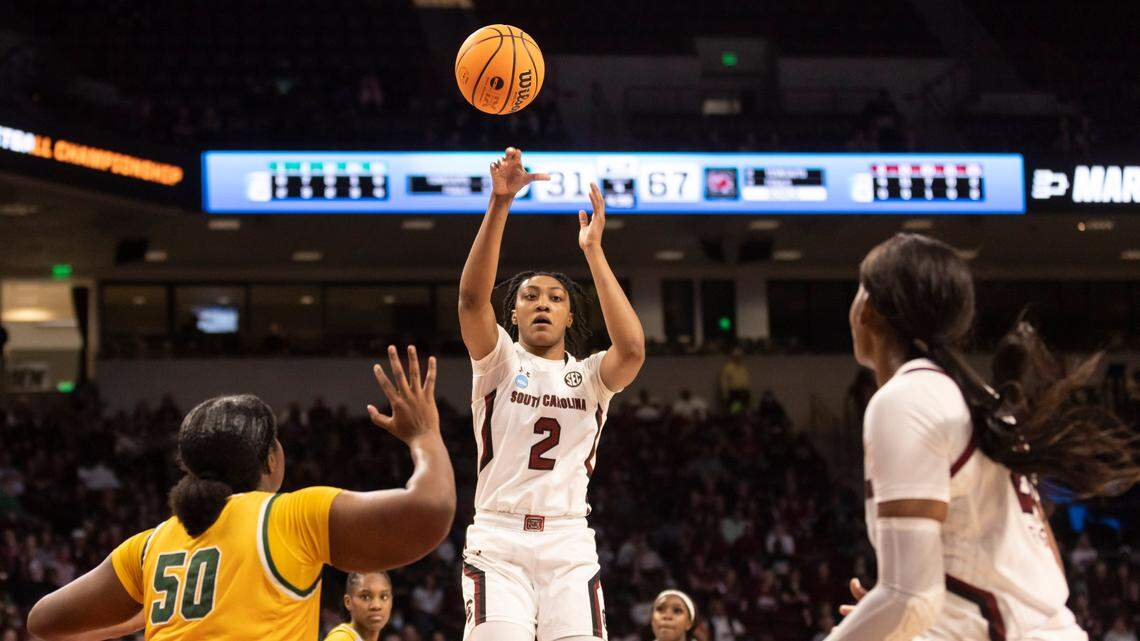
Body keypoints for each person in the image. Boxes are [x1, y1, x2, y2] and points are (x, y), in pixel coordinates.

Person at [828, 233, 1140, 641]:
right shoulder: (983, 405)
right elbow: (1038, 569)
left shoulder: (907, 398)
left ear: (868, 309)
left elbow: (909, 597)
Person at [27, 346, 455, 641]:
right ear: (272, 460)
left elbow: (44, 621)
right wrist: (424, 435)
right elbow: (431, 509)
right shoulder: (290, 517)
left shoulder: (151, 545)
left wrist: (144, 614)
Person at [457, 147, 646, 641]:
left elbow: (632, 348)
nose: (543, 303)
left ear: (569, 317)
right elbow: (472, 300)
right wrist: (500, 204)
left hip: (568, 542)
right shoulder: (498, 360)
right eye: (530, 297)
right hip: (498, 540)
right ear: (513, 315)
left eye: (556, 298)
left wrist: (594, 253)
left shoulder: (589, 377)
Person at [325, 572, 393, 641]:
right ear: (348, 602)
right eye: (365, 597)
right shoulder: (340, 638)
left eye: (384, 597)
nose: (376, 605)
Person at [718, 348, 750, 414]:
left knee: (744, 412)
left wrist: (747, 391)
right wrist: (725, 395)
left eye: (740, 356)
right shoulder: (727, 368)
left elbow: (746, 379)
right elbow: (724, 383)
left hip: (744, 392)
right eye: (737, 356)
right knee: (735, 412)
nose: (739, 358)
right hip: (734, 393)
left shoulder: (743, 368)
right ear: (733, 357)